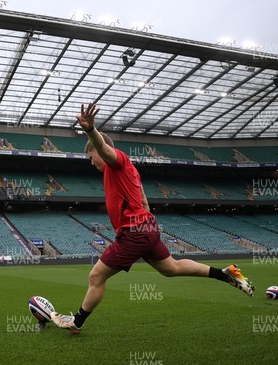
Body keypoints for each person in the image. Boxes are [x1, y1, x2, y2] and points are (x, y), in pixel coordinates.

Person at [51, 103, 254, 333]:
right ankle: (224, 274)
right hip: (146, 228)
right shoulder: (127, 171)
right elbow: (145, 201)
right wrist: (146, 226)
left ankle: (76, 322)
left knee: (96, 275)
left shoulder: (116, 161)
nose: (91, 162)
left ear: (100, 150)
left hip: (134, 232)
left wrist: (90, 130)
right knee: (171, 268)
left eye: (90, 156)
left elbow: (104, 148)